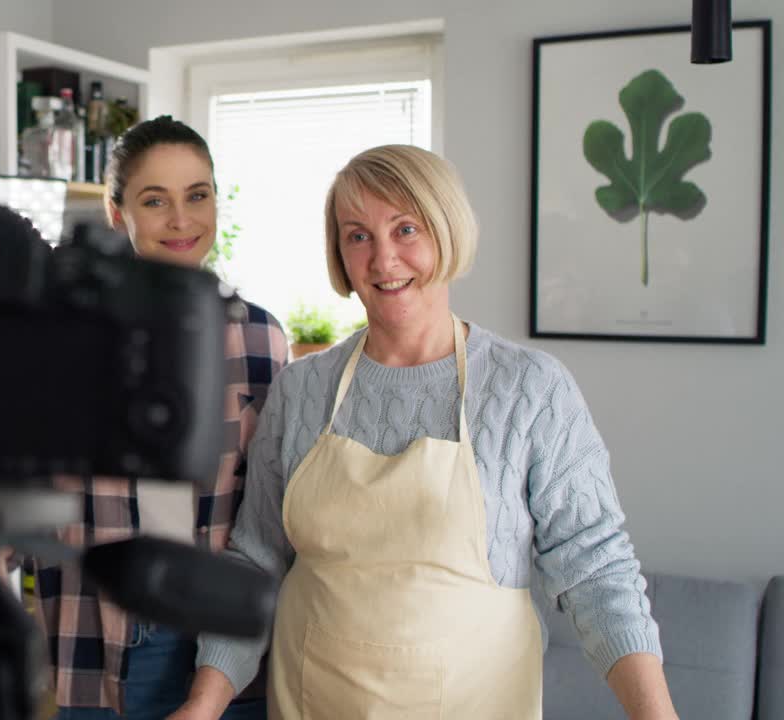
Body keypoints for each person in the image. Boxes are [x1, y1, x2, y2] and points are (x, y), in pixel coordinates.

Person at [170, 145, 679, 719]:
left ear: (447, 232)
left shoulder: (530, 389)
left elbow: (596, 566)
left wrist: (656, 715)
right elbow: (256, 561)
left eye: (405, 229)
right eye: (357, 235)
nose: (384, 260)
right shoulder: (301, 390)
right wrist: (203, 704)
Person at [28, 116, 288, 720]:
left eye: (197, 196)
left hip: (227, 651)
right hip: (96, 643)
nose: (181, 220)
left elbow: (270, 512)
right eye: (155, 200)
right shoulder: (60, 338)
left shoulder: (258, 337)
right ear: (118, 214)